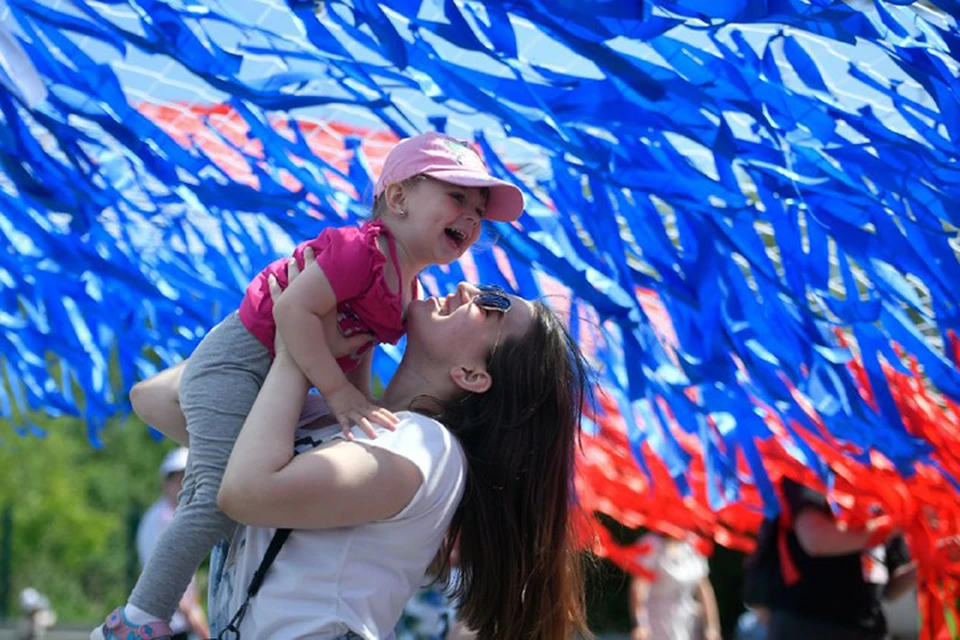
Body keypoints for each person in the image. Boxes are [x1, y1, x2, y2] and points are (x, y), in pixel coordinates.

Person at [92, 132, 524, 640]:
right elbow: (292, 309)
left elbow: (352, 347)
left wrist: (353, 401)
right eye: (457, 197)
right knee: (210, 499)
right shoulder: (361, 251)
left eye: (479, 209)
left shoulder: (405, 291)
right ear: (399, 197)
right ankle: (138, 619)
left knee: (221, 502)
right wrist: (340, 396)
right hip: (238, 366)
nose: (472, 217)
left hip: (265, 376)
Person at [135, 257, 591, 638]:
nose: (468, 285)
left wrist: (299, 345)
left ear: (472, 375)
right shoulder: (339, 420)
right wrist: (275, 319)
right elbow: (155, 398)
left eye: (491, 305)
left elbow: (244, 494)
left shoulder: (427, 449)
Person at [743, 477, 917, 640]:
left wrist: (931, 562)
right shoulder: (814, 464)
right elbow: (815, 539)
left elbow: (890, 588)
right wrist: (888, 528)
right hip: (809, 623)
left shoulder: (888, 486)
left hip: (867, 627)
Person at [135, 448, 209, 640]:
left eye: (188, 477)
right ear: (165, 483)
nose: (183, 484)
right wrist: (198, 624)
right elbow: (168, 580)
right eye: (177, 478)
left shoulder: (167, 515)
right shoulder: (164, 520)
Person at [629, 532, 721, 640]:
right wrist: (640, 623)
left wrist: (712, 627)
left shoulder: (694, 544)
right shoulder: (650, 543)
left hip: (687, 622)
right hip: (656, 620)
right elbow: (639, 586)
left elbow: (704, 589)